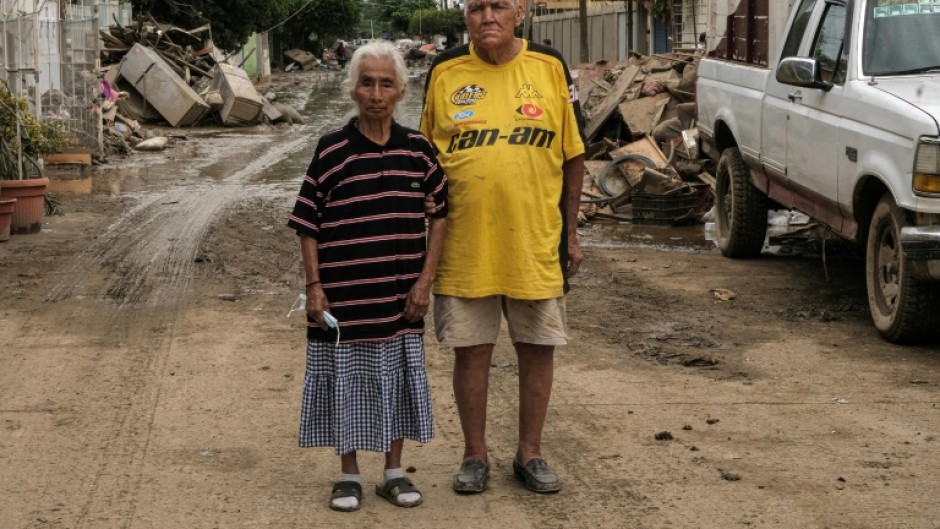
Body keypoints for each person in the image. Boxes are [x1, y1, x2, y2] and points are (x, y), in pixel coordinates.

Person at [420, 0, 585, 494]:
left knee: (538, 348)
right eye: (476, 8)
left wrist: (571, 233)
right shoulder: (445, 70)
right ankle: (475, 456)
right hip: (465, 245)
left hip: (535, 240)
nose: (487, 16)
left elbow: (574, 154)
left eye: (498, 6)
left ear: (519, 13)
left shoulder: (550, 66)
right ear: (465, 18)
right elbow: (424, 161)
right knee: (471, 353)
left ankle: (529, 454)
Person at [288, 41, 448, 512]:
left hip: (401, 297)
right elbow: (306, 223)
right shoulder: (332, 149)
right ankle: (348, 474)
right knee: (345, 382)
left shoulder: (418, 150)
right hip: (345, 299)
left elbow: (442, 212)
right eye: (367, 82)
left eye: (386, 83)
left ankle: (394, 473)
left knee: (397, 380)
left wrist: (426, 282)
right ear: (352, 89)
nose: (376, 92)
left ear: (400, 91)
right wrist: (314, 288)